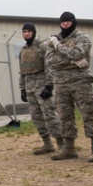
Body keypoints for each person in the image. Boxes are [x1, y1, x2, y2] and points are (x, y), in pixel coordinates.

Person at [46, 12, 93, 162]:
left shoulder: (82, 38)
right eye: (62, 22)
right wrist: (72, 61)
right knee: (65, 116)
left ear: (73, 22)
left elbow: (78, 53)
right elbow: (50, 61)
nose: (65, 24)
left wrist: (58, 46)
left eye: (68, 21)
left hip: (80, 81)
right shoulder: (54, 39)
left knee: (89, 112)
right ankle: (69, 148)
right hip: (60, 82)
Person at [18, 22, 63, 155]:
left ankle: (61, 143)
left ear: (34, 32)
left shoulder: (43, 46)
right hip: (30, 86)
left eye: (28, 31)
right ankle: (47, 143)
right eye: (24, 31)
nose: (26, 34)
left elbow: (49, 66)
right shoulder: (23, 50)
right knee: (36, 117)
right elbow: (22, 71)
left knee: (50, 115)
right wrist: (22, 89)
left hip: (42, 86)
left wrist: (49, 86)